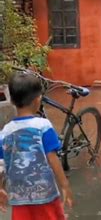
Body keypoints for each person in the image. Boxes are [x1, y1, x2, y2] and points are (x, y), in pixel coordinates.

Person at [0, 73, 73, 219]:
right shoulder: (43, 126)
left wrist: (0, 187)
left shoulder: (5, 132)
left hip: (19, 197)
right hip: (45, 194)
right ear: (38, 99)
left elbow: (1, 164)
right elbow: (53, 159)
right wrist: (65, 185)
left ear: (12, 101)